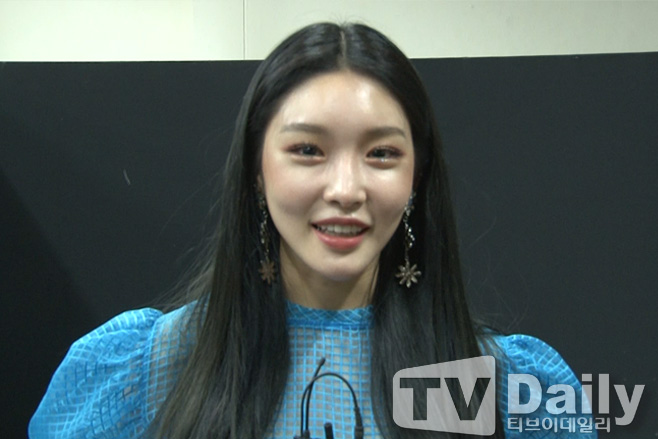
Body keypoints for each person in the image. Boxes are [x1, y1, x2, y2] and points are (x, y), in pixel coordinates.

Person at [29, 22, 595, 439]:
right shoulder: (146, 372)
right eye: (307, 150)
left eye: (381, 153)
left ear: (417, 177)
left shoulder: (509, 387)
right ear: (257, 170)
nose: (346, 188)